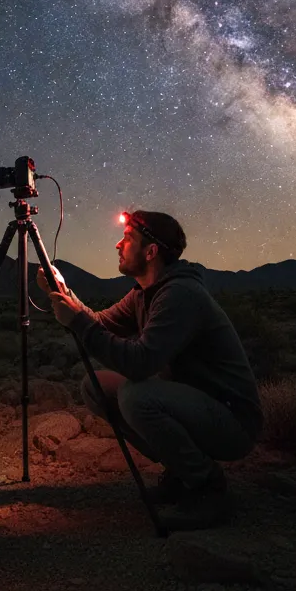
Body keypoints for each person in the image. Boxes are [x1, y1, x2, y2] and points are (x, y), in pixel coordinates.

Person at [37, 209, 262, 530]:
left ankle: (207, 488)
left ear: (151, 251)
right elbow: (99, 323)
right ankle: (181, 470)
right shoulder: (145, 293)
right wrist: (62, 293)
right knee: (95, 386)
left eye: (127, 239)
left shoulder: (180, 295)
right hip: (198, 405)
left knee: (136, 395)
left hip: (233, 421)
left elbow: (139, 363)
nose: (118, 245)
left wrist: (77, 322)